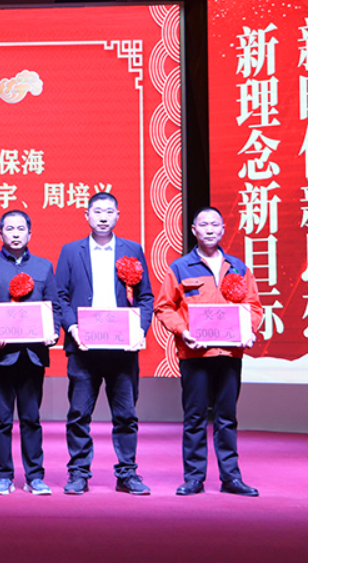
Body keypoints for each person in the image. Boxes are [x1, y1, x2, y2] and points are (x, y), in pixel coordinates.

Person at [153, 207, 264, 497]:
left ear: (223, 229)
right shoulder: (180, 267)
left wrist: (249, 329)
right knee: (195, 418)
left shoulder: (238, 267)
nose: (210, 229)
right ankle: (194, 478)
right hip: (195, 355)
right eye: (204, 225)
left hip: (229, 354)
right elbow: (163, 307)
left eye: (215, 224)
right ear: (194, 230)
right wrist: (183, 331)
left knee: (227, 417)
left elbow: (253, 305)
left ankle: (231, 477)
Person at [52, 192, 156, 495]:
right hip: (83, 348)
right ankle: (78, 473)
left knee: (126, 415)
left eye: (109, 211)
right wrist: (72, 328)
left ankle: (127, 473)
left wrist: (139, 329)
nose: (103, 217)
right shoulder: (71, 251)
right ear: (87, 215)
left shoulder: (132, 249)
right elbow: (61, 297)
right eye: (97, 211)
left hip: (122, 349)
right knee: (78, 414)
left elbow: (145, 297)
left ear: (118, 216)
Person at [0, 210, 59, 496]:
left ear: (30, 234)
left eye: (21, 229)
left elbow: (54, 307)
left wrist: (53, 332)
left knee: (31, 418)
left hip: (33, 355)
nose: (16, 233)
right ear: (0, 234)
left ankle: (35, 477)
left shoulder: (44, 267)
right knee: (2, 420)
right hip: (0, 355)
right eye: (10, 229)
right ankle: (3, 476)